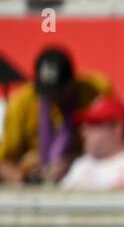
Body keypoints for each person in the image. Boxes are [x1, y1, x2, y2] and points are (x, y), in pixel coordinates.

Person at [0, 46, 111, 184]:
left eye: (57, 93)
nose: (51, 99)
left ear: (71, 83)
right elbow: (3, 162)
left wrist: (72, 163)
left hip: (83, 177)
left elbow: (114, 145)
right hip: (35, 183)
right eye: (46, 92)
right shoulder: (21, 104)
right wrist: (27, 176)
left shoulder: (95, 91)